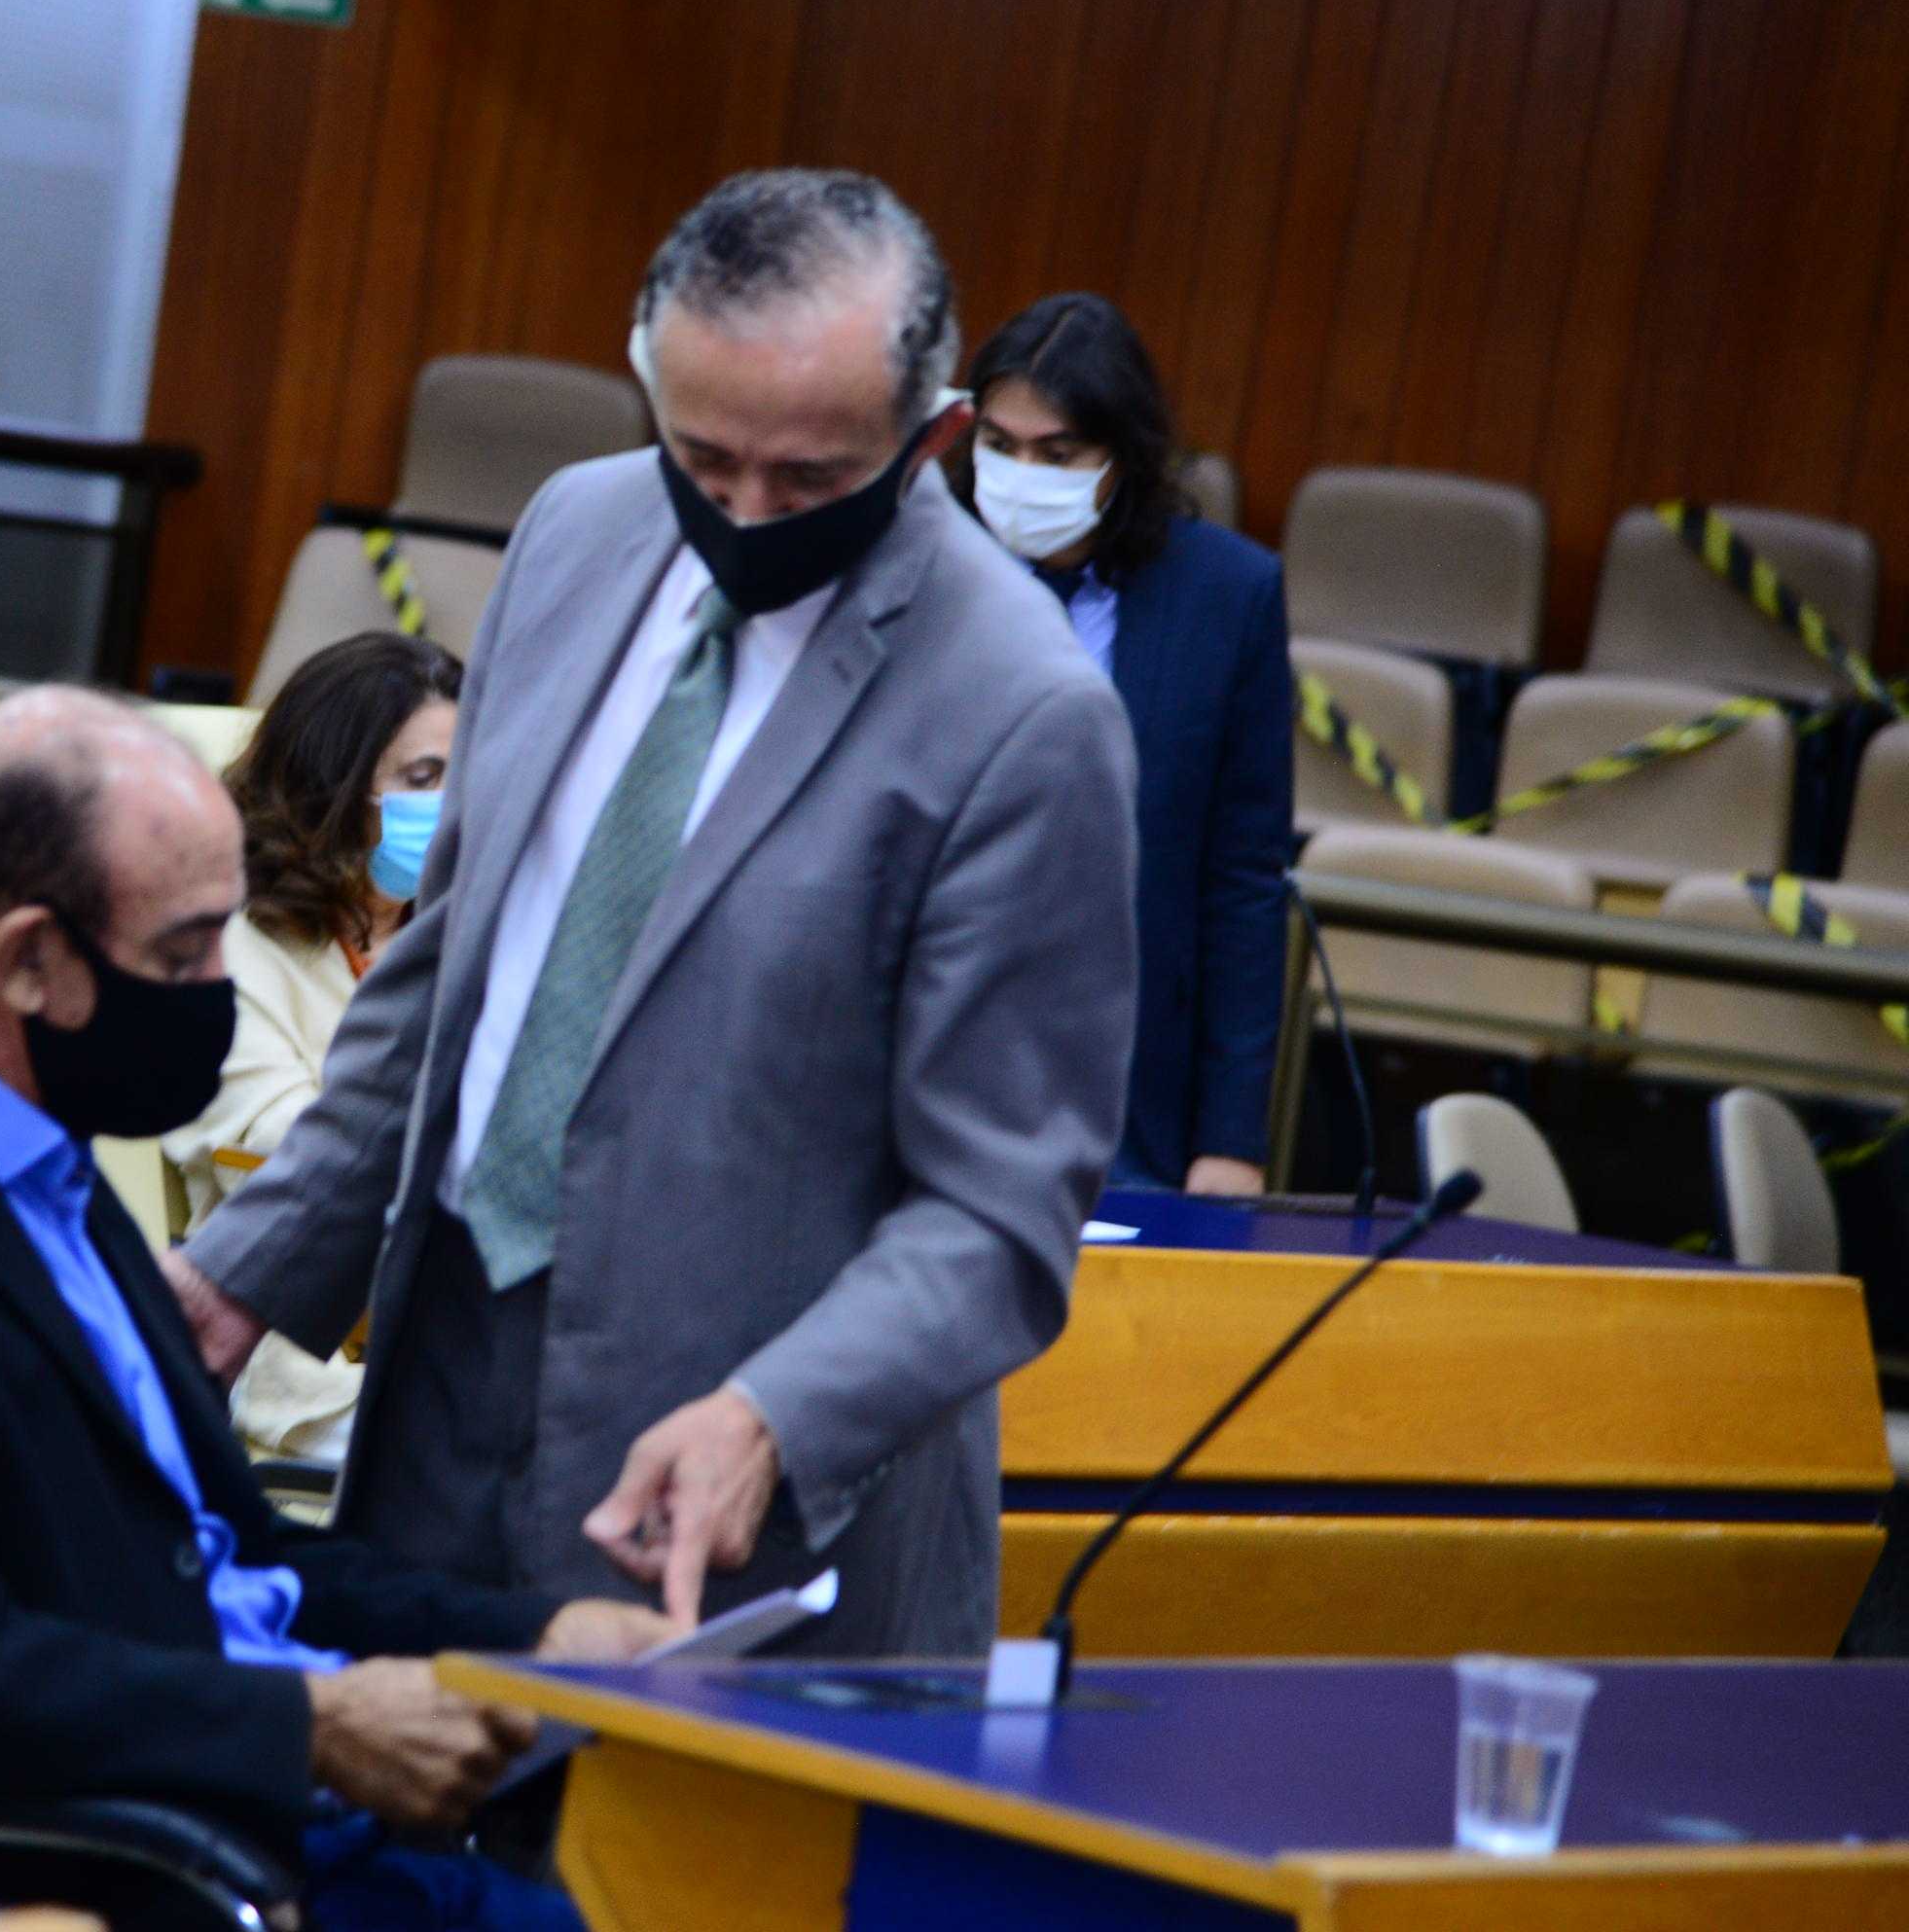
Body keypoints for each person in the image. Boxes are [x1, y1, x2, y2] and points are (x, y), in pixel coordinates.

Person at [164, 169, 1140, 1655]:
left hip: (744, 1494)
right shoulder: (576, 529)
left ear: (932, 437)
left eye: (808, 479)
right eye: (704, 458)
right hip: (435, 1392)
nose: (743, 515)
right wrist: (245, 1272)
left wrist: (776, 1415)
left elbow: (1000, 1219)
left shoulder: (1025, 714)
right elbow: (452, 973)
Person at [0, 688, 669, 1926]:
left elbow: (236, 1552)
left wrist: (535, 1634)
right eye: (181, 954)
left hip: (286, 1831)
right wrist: (309, 1725)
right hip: (144, 1875)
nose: (217, 990)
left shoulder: (40, 1157)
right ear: (29, 960)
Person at [959, 294, 1291, 1195]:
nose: (1022, 474)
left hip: (1124, 1095)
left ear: (1122, 459)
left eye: (1058, 454)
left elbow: (1243, 881)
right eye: (999, 444)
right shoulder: (919, 564)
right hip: (930, 1057)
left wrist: (1231, 1140)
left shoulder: (1231, 596)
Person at [163, 630, 461, 1463]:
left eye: (466, 775)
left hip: (451, 1331)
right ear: (330, 786)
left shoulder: (457, 938)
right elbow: (271, 1148)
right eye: (424, 779)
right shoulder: (219, 944)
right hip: (297, 1349)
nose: (452, 806)